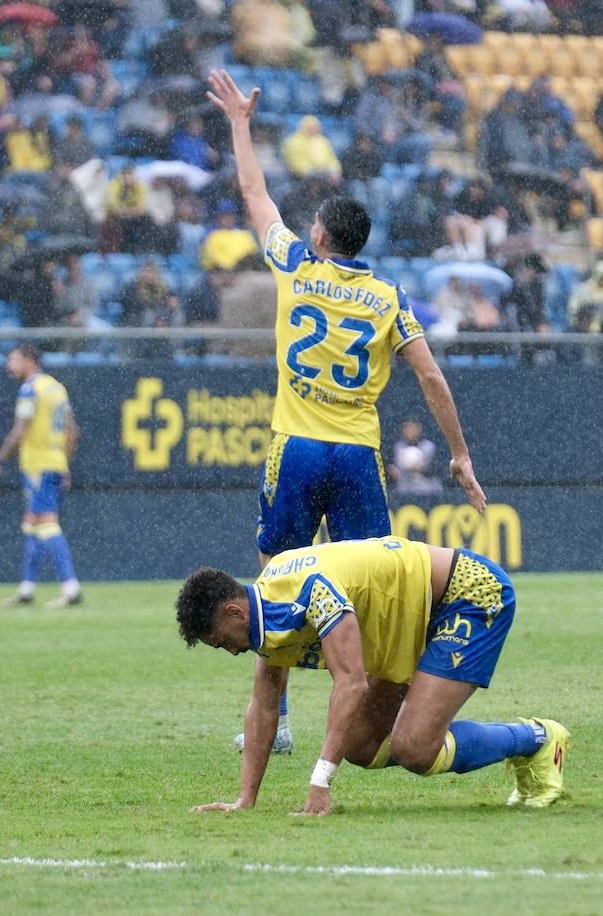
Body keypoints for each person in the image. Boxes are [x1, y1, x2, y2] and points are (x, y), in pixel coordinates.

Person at [206, 68, 488, 754]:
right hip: (358, 455)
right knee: (376, 590)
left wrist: (240, 125)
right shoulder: (390, 298)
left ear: (321, 237)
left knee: (276, 581)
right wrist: (459, 453)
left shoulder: (296, 266)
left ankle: (277, 724)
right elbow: (431, 377)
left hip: (298, 448)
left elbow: (254, 193)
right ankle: (389, 714)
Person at [177, 537, 570, 816]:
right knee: (361, 743)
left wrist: (320, 783)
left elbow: (351, 682)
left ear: (235, 612)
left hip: (466, 594)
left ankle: (538, 739)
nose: (229, 650)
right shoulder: (266, 609)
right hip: (408, 620)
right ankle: (502, 741)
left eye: (220, 641)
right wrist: (245, 800)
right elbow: (264, 706)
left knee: (414, 748)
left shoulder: (309, 591)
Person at [0, 345, 83, 608]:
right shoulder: (56, 388)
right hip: (54, 463)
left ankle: (71, 588)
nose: (9, 365)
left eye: (13, 360)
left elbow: (20, 429)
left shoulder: (30, 389)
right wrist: (64, 463)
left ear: (29, 360)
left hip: (38, 466)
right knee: (32, 524)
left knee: (47, 523)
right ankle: (27, 589)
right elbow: (73, 431)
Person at [389, 418, 442, 496]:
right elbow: (392, 470)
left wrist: (422, 469)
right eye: (407, 427)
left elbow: (438, 471)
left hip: (427, 491)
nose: (410, 431)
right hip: (404, 492)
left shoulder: (429, 447)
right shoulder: (398, 448)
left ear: (419, 429)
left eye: (412, 427)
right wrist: (395, 473)